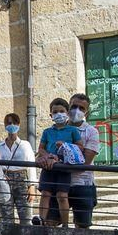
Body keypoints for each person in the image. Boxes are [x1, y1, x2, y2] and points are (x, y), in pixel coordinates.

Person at [35, 97, 82, 227]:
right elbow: (41, 149)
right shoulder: (47, 132)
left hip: (64, 166)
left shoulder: (73, 130)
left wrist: (65, 146)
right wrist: (48, 155)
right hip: (48, 166)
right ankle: (41, 220)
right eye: (55, 112)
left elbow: (80, 147)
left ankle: (65, 224)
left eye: (61, 111)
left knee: (62, 195)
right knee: (45, 194)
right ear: (51, 115)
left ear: (67, 113)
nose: (58, 114)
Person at [67, 92, 102, 228]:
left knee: (82, 227)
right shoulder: (58, 129)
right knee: (51, 222)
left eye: (81, 108)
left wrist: (61, 161)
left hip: (83, 184)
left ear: (86, 113)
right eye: (74, 106)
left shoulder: (92, 132)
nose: (77, 111)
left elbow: (86, 161)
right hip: (59, 183)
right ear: (68, 107)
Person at [0, 112, 34, 227]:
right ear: (5, 125)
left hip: (21, 179)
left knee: (26, 217)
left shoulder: (25, 145)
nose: (11, 125)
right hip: (4, 181)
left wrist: (32, 185)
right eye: (8, 123)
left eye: (14, 122)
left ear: (19, 124)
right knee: (5, 216)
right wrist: (1, 178)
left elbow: (31, 165)